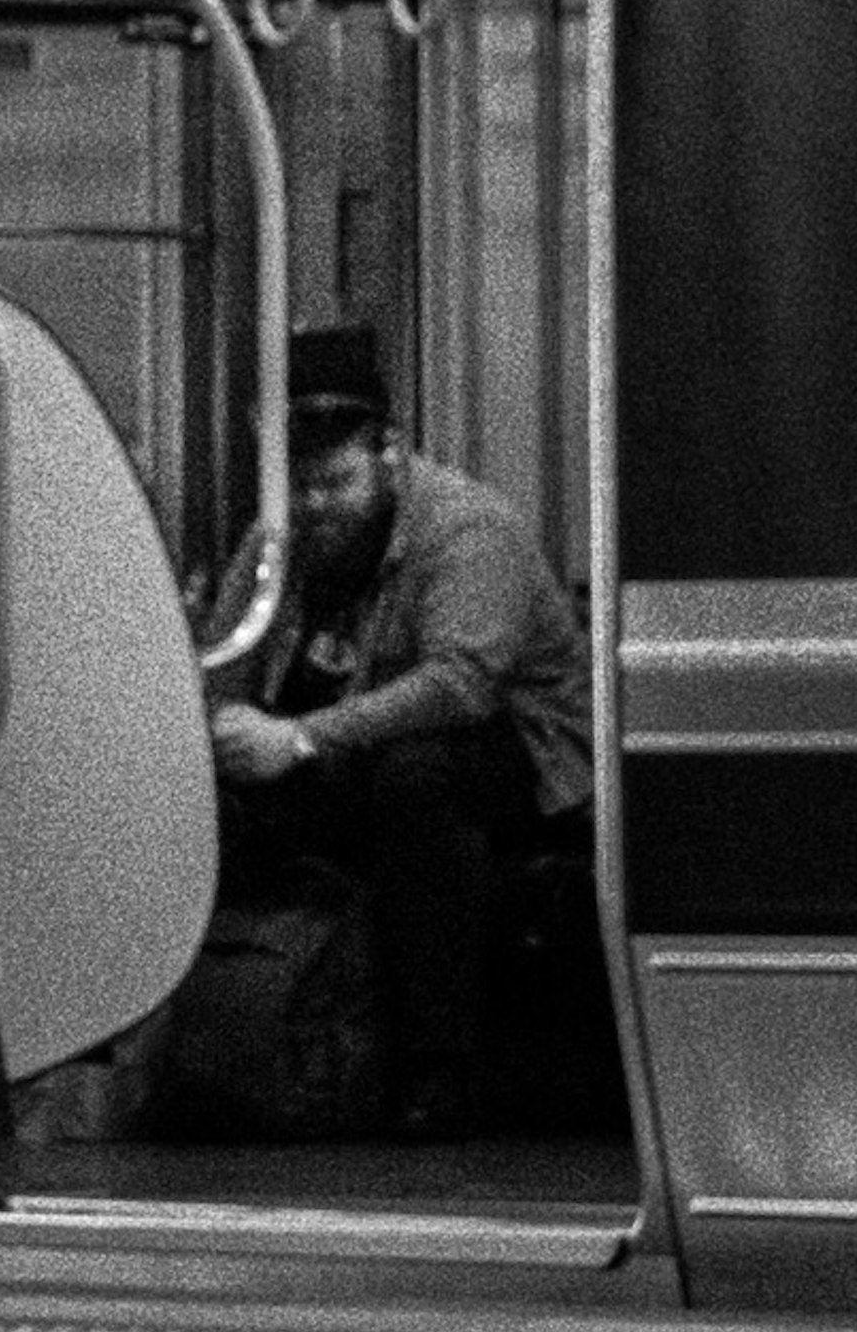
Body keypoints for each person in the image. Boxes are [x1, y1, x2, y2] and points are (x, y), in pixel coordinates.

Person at [203, 325, 590, 1137]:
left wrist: (300, 738)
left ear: (388, 453)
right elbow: (227, 651)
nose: (314, 507)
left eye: (335, 483)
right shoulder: (282, 534)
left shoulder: (466, 529)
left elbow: (462, 683)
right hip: (353, 739)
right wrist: (216, 728)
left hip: (516, 752)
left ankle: (436, 1071)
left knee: (418, 778)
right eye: (297, 488)